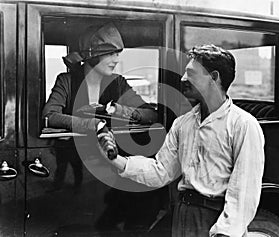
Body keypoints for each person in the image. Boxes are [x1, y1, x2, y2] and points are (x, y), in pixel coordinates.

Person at [98, 44, 265, 237]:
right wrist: (116, 160)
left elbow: (244, 191)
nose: (183, 78)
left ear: (214, 77)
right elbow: (161, 171)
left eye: (191, 73)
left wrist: (225, 232)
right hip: (183, 215)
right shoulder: (183, 124)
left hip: (215, 221)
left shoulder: (243, 125)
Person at [42, 23, 157, 191]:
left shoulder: (118, 83)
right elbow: (50, 115)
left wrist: (117, 110)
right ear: (93, 55)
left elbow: (150, 114)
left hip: (111, 167)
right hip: (73, 155)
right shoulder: (66, 80)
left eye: (117, 53)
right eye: (110, 53)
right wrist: (94, 125)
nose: (116, 59)